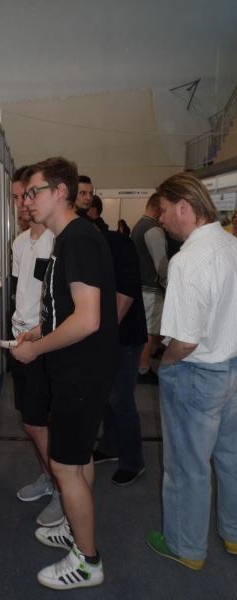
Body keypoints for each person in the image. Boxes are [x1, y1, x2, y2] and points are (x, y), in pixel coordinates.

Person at [11, 157, 118, 590]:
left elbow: (88, 319)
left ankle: (88, 561)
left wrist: (34, 348)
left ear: (60, 191)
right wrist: (39, 330)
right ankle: (76, 530)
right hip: (77, 370)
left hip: (81, 372)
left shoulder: (77, 241)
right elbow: (68, 309)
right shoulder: (67, 239)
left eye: (34, 192)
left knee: (65, 465)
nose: (27, 201)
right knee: (77, 459)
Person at [146, 172, 237, 568]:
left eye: (165, 210)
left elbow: (184, 342)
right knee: (231, 457)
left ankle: (186, 547)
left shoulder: (186, 260)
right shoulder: (233, 245)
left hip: (197, 373)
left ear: (184, 207)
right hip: (231, 368)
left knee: (187, 465)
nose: (161, 218)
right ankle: (233, 533)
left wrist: (164, 362)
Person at [10, 167, 61, 526]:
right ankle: (48, 477)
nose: (22, 203)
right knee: (31, 421)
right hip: (20, 338)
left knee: (39, 421)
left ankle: (61, 486)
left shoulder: (57, 240)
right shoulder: (19, 242)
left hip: (45, 342)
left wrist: (38, 335)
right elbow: (22, 292)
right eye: (16, 197)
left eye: (27, 195)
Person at [93, 229, 147, 485]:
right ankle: (110, 446)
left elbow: (127, 289)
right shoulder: (85, 244)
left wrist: (104, 335)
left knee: (121, 399)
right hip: (103, 335)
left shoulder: (117, 242)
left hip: (125, 337)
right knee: (106, 395)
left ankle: (133, 461)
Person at [131, 193, 168, 385]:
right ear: (158, 208)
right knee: (149, 330)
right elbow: (161, 263)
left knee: (143, 329)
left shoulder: (138, 225)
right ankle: (143, 369)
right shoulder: (153, 229)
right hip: (150, 289)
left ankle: (138, 366)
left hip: (140, 286)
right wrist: (169, 285)